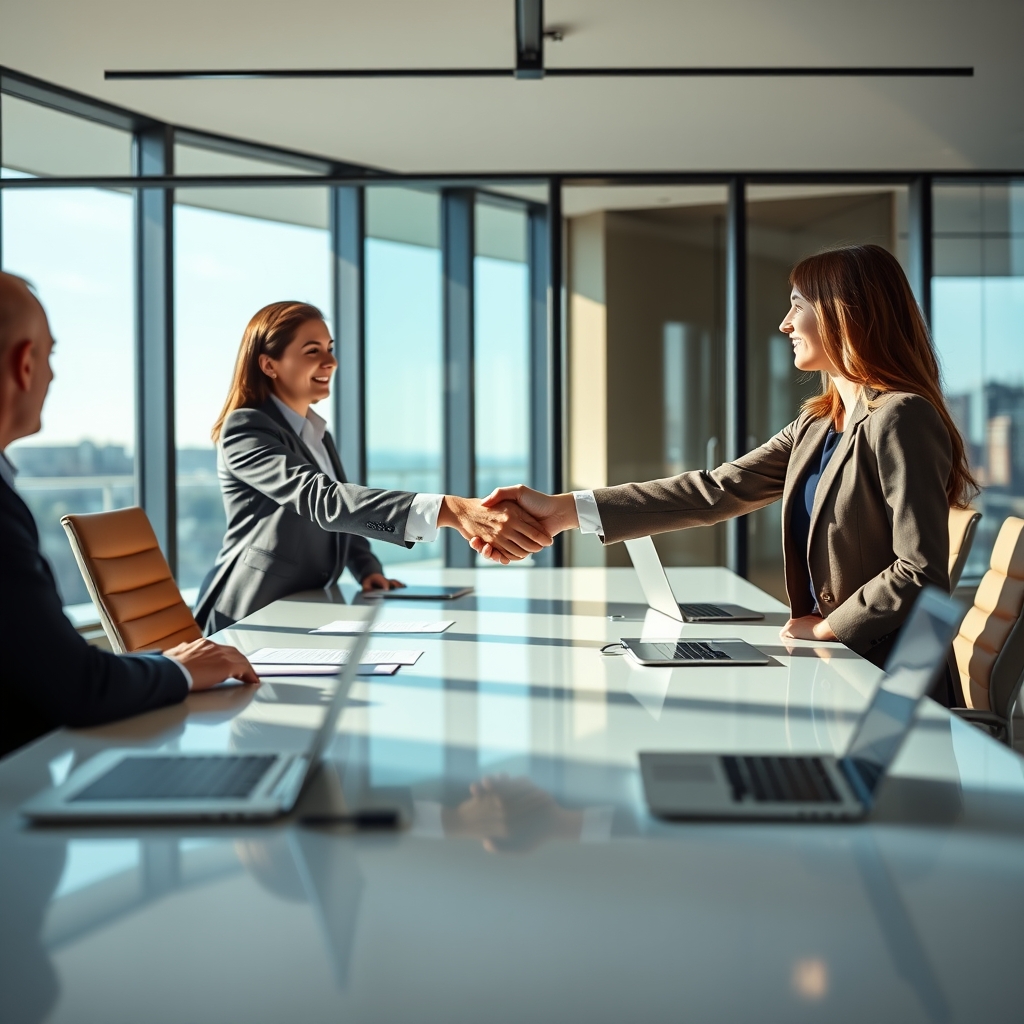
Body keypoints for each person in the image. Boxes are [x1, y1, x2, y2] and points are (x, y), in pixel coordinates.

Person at [473, 245, 977, 679]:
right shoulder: (818, 424)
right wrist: (564, 510)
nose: (784, 324)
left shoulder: (901, 416)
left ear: (841, 313)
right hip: (834, 661)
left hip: (884, 673)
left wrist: (826, 626)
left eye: (797, 305)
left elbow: (921, 570)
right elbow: (714, 490)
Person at [0, 271, 260, 760]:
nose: (54, 376)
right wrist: (177, 670)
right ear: (25, 364)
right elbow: (74, 684)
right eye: (50, 355)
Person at [194, 301, 550, 633]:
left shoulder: (314, 432)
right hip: (249, 615)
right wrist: (451, 510)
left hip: (307, 604)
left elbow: (342, 515)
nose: (330, 361)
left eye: (329, 348)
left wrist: (367, 569)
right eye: (312, 351)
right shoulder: (246, 428)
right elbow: (325, 501)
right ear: (269, 364)